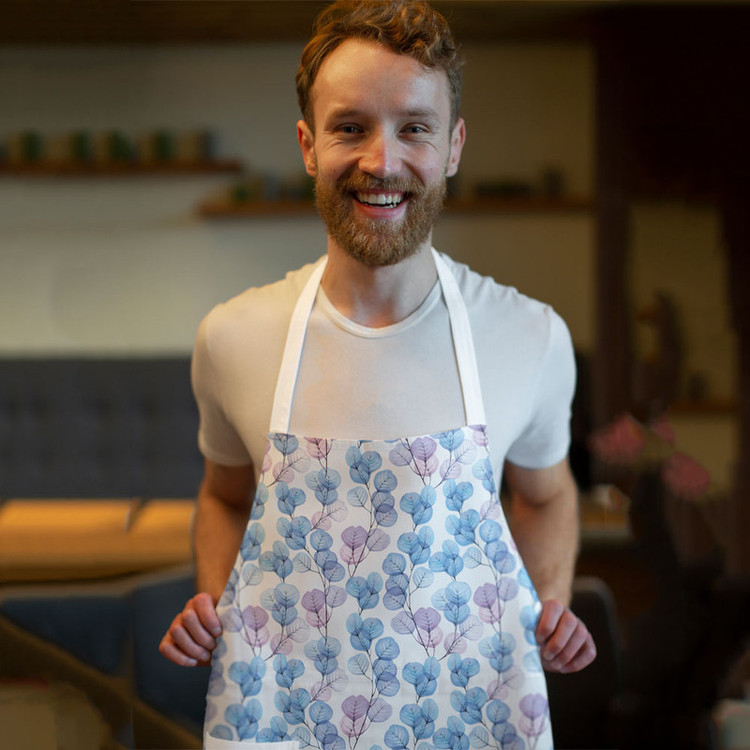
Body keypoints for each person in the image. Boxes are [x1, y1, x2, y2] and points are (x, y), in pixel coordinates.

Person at [160, 1, 596, 747]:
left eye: (415, 128)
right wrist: (213, 600)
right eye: (351, 127)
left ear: (453, 146)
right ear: (308, 146)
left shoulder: (531, 337)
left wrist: (546, 605)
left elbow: (546, 495)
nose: (382, 162)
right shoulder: (231, 338)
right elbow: (225, 497)